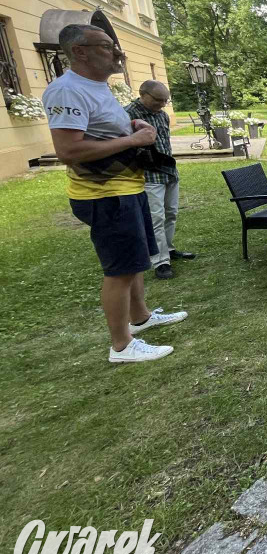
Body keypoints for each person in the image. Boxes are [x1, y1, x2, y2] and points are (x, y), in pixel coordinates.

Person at [42, 24, 186, 363]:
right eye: (107, 46)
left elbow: (102, 130)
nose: (118, 53)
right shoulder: (67, 90)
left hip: (126, 186)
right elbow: (68, 150)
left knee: (134, 260)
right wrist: (132, 140)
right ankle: (121, 345)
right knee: (119, 268)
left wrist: (132, 127)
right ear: (80, 52)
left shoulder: (96, 86)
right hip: (103, 193)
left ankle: (140, 317)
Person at [125, 80, 197, 280]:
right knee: (156, 218)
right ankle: (160, 261)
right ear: (143, 94)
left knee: (171, 213)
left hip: (169, 172)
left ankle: (169, 249)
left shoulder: (163, 115)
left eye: (165, 100)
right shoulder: (128, 114)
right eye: (158, 100)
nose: (163, 104)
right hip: (148, 175)